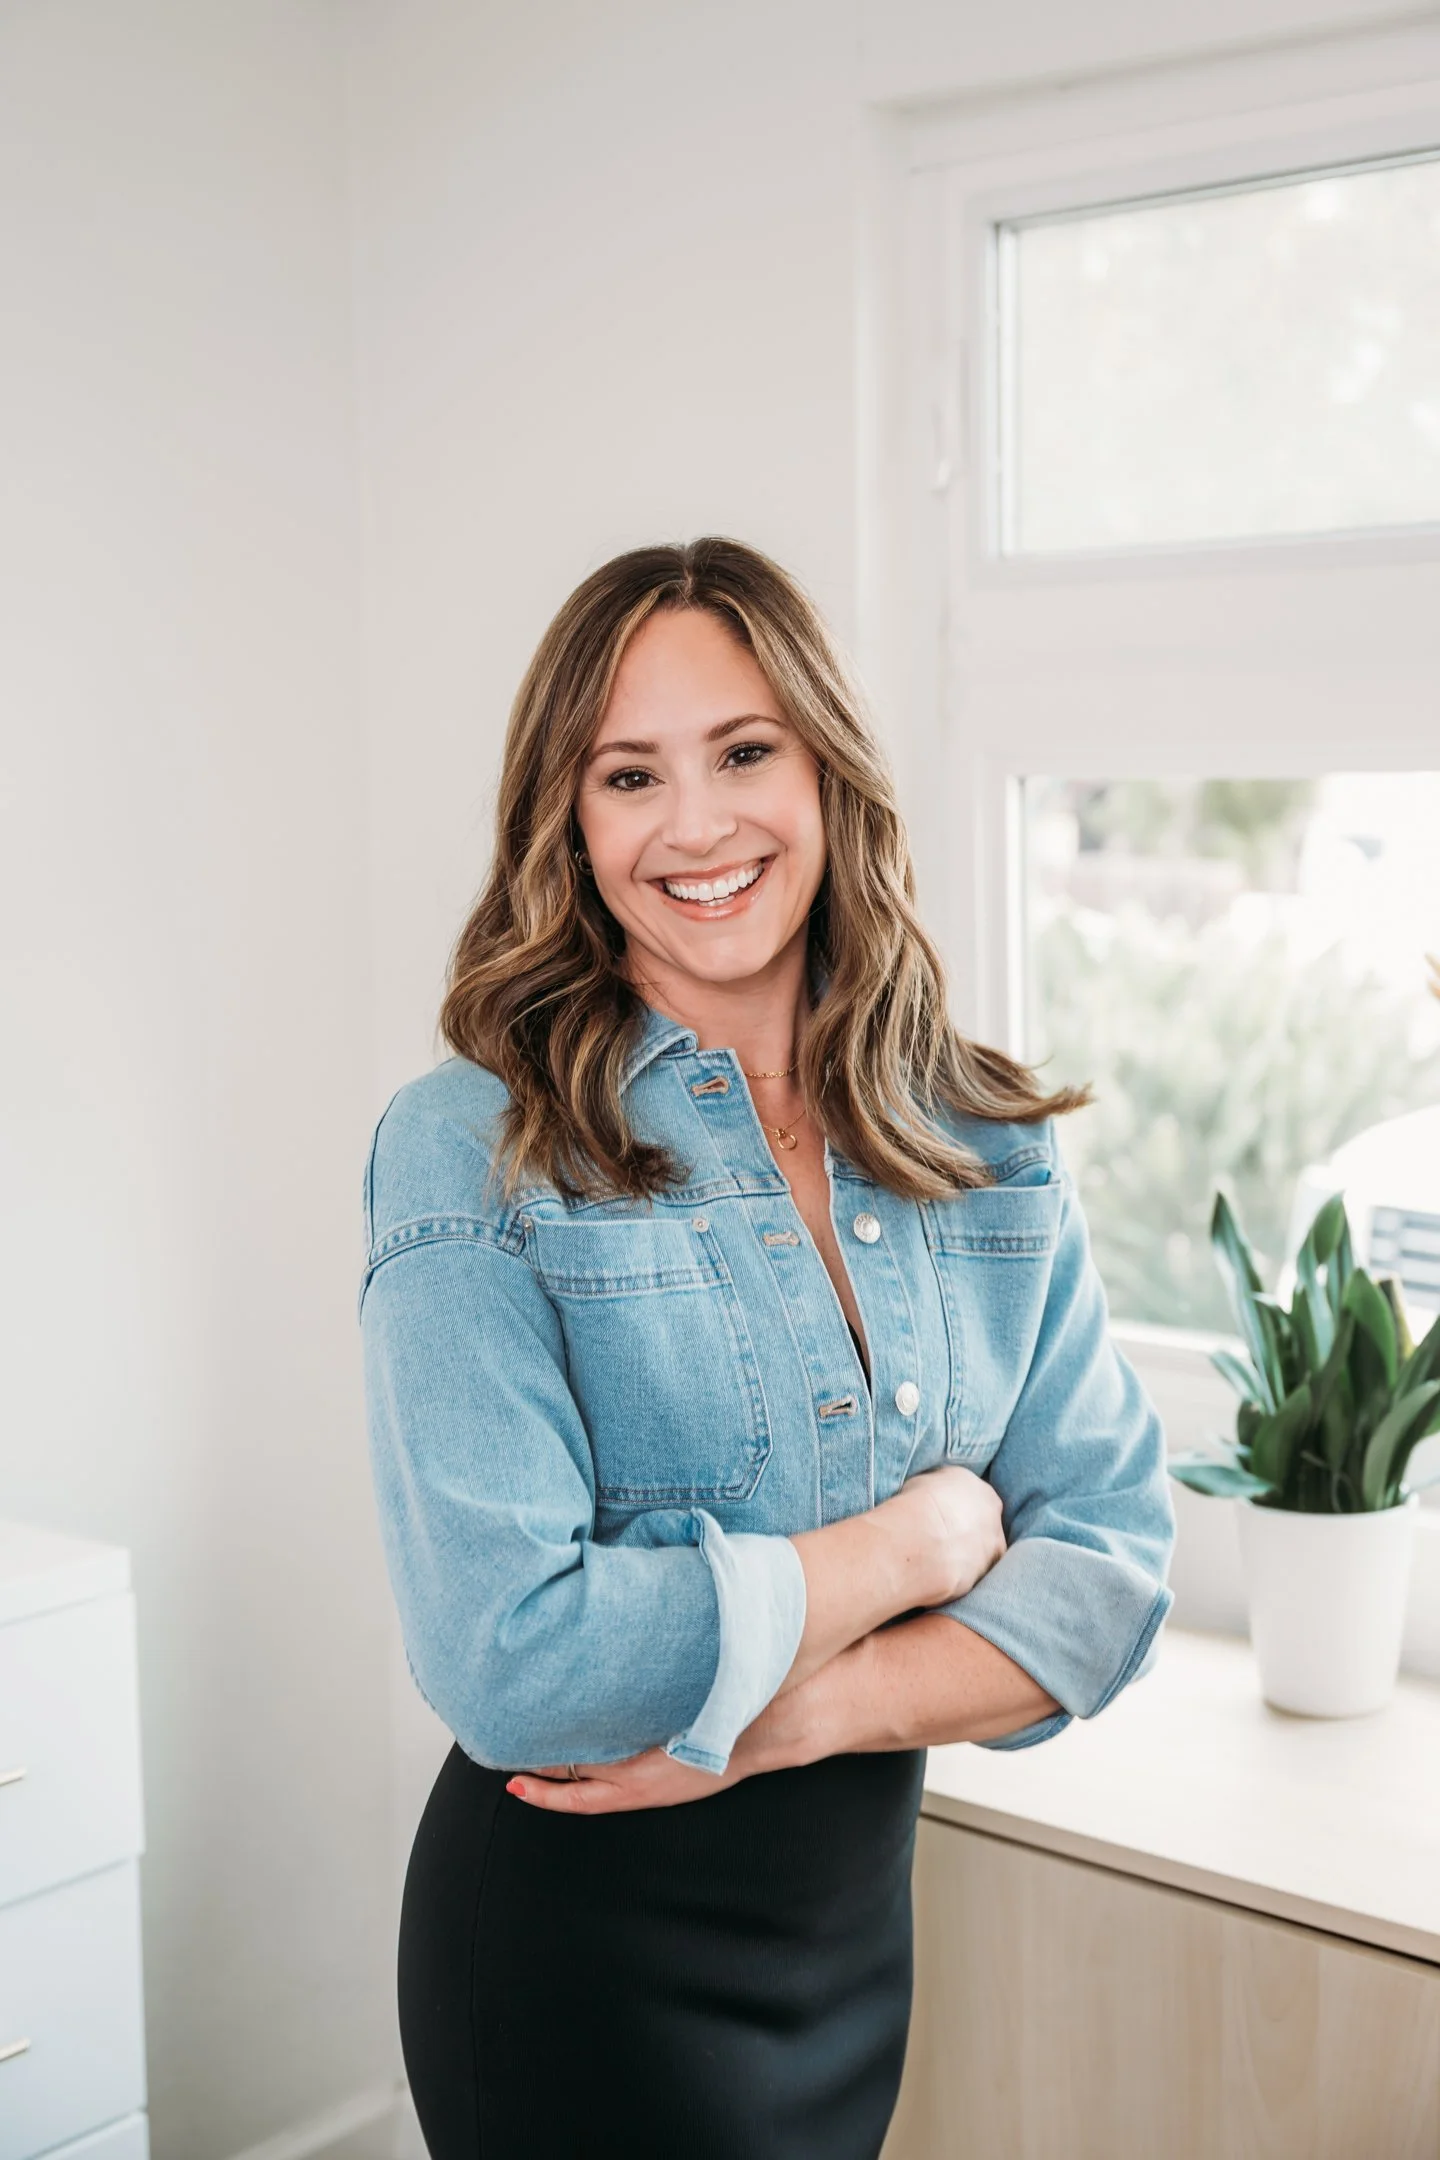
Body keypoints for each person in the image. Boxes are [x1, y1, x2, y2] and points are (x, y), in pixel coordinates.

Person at [359, 537, 1175, 2159]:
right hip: (568, 1959)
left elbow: (1113, 1571)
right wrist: (914, 1546)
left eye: (744, 752)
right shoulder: (473, 1147)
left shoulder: (981, 1135)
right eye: (630, 775)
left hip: (846, 1948)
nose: (697, 824)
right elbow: (515, 1658)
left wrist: (791, 1716)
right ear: (569, 824)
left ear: (826, 772)